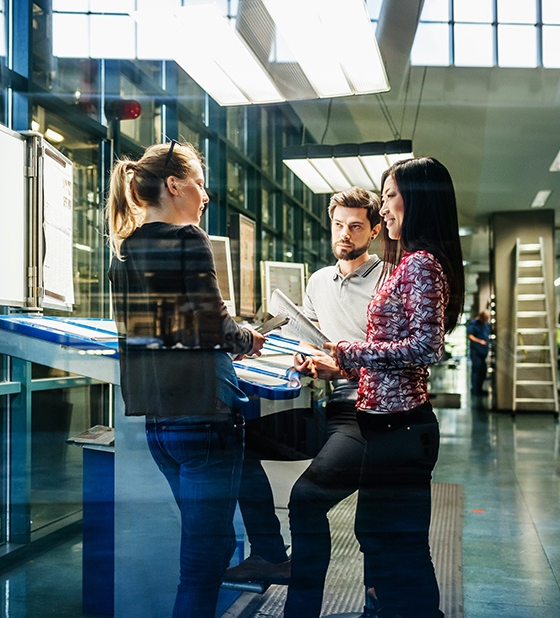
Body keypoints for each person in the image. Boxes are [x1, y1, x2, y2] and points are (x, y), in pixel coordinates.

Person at [106, 140, 265, 618]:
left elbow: (153, 332)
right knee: (202, 561)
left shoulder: (126, 251)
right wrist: (248, 338)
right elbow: (212, 325)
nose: (205, 195)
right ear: (174, 186)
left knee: (210, 548)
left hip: (161, 424)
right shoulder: (189, 238)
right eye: (200, 183)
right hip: (204, 416)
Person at [316, 157, 465, 618]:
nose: (383, 209)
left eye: (390, 197)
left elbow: (426, 347)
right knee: (380, 536)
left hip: (401, 428)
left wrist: (347, 352)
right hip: (386, 424)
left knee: (397, 544)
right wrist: (344, 363)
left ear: (418, 199)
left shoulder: (421, 264)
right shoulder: (409, 262)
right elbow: (395, 347)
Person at [280, 187, 384, 617]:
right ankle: (268, 549)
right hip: (328, 407)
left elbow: (395, 361)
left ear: (375, 230)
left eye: (356, 226)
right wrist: (303, 357)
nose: (345, 233)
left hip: (370, 413)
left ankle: (299, 612)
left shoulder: (387, 281)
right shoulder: (319, 280)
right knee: (235, 443)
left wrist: (338, 368)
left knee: (305, 499)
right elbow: (312, 337)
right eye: (339, 224)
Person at [467, 310, 491, 396]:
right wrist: (479, 341)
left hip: (483, 352)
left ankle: (480, 388)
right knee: (476, 370)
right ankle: (475, 389)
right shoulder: (473, 324)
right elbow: (469, 335)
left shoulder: (486, 325)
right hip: (476, 351)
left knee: (482, 370)